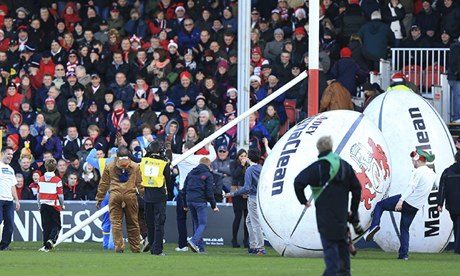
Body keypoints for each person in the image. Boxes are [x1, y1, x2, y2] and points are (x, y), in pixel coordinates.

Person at [294, 136, 362, 275]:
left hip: (325, 220)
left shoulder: (317, 167)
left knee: (332, 264)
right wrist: (353, 212)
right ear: (331, 146)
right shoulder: (344, 166)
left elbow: (298, 182)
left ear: (318, 149)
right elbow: (357, 189)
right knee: (344, 265)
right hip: (342, 219)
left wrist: (304, 201)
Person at [363, 149, 436, 260]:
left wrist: (401, 200)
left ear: (418, 159)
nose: (413, 162)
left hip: (407, 202)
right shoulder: (432, 174)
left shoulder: (419, 172)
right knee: (404, 229)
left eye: (413, 160)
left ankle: (374, 226)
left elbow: (411, 187)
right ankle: (403, 255)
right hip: (415, 207)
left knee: (380, 205)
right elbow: (431, 188)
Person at [95, 146, 144, 253]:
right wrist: (144, 196)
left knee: (116, 223)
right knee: (133, 223)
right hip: (130, 196)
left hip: (115, 196)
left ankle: (119, 247)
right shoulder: (135, 166)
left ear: (117, 155)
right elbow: (140, 184)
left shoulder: (110, 165)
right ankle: (135, 248)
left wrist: (99, 198)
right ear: (129, 154)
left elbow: (103, 184)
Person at [173, 142, 216, 252]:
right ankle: (198, 245)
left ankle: (183, 245)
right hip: (199, 195)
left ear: (186, 149)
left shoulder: (180, 157)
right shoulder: (201, 158)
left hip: (184, 192)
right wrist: (209, 144)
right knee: (196, 221)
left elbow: (167, 155)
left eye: (183, 148)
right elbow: (213, 156)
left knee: (181, 219)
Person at [226, 148, 266, 255]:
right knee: (248, 221)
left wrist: (233, 193)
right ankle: (253, 245)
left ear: (249, 157)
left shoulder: (250, 170)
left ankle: (260, 247)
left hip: (252, 198)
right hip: (259, 197)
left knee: (255, 222)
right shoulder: (261, 168)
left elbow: (247, 187)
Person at [183, 157, 219, 253]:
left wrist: (185, 204)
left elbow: (184, 189)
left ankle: (200, 247)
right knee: (202, 223)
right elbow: (209, 192)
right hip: (200, 201)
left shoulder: (191, 173)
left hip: (190, 200)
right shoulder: (208, 175)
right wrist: (214, 205)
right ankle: (193, 241)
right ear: (208, 165)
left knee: (196, 223)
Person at [141, 141, 171, 256]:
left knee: (150, 224)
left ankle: (152, 245)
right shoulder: (163, 164)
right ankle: (157, 250)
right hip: (160, 196)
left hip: (147, 196)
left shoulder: (144, 162)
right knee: (159, 224)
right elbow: (168, 181)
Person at [37, 158, 65, 252]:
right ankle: (51, 240)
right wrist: (62, 205)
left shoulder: (40, 179)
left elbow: (38, 195)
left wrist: (39, 205)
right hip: (53, 206)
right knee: (57, 225)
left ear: (45, 167)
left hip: (43, 205)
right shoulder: (57, 180)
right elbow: (60, 195)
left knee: (46, 226)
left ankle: (45, 245)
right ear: (56, 167)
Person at [437, 151, 460, 254]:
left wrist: (440, 203)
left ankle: (457, 247)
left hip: (452, 205)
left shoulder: (447, 171)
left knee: (456, 225)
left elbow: (442, 188)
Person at [0, 147, 20, 251]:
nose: (10, 156)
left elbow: (13, 186)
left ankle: (4, 246)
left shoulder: (11, 169)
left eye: (12, 154)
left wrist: (16, 200)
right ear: (2, 154)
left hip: (8, 200)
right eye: (8, 154)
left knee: (10, 224)